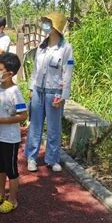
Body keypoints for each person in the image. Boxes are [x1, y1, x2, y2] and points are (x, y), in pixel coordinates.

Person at [25, 11, 74, 172]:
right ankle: (31, 157)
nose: (45, 25)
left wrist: (63, 95)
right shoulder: (41, 46)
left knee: (54, 127)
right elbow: (35, 70)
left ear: (56, 26)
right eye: (45, 22)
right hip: (38, 91)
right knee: (35, 126)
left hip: (55, 93)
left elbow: (68, 72)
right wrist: (31, 87)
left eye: (48, 22)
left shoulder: (66, 48)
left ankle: (52, 159)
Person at [0, 52, 28, 213]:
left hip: (9, 139)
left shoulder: (14, 93)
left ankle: (12, 199)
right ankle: (1, 193)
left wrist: (1, 121)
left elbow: (23, 115)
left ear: (10, 73)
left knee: (11, 170)